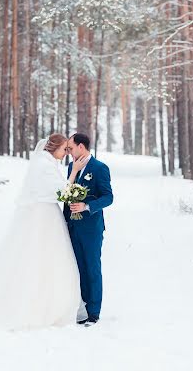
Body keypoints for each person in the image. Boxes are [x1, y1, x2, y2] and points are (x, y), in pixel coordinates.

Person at [0, 133, 88, 331]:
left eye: (68, 149)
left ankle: (48, 300)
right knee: (40, 257)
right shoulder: (45, 165)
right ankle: (36, 305)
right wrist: (74, 172)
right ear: (53, 148)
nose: (66, 153)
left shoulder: (46, 162)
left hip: (47, 213)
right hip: (43, 215)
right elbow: (63, 192)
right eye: (64, 149)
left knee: (48, 259)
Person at [64, 133, 113, 325]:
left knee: (92, 267)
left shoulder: (100, 168)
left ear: (81, 147)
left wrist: (86, 206)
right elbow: (67, 194)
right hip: (73, 227)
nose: (68, 152)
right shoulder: (71, 167)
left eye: (71, 148)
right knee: (78, 268)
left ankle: (94, 311)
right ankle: (82, 308)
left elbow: (108, 197)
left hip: (91, 228)